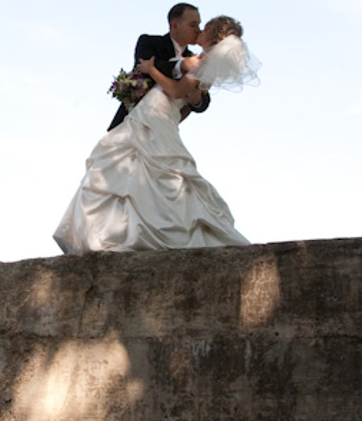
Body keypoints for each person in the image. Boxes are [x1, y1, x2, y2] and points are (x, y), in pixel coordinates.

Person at [54, 16, 258, 254]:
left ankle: (119, 233)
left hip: (156, 111)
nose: (199, 30)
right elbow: (187, 102)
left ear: (212, 35)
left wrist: (151, 70)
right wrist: (172, 118)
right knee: (140, 165)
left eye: (204, 27)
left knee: (142, 165)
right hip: (159, 115)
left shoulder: (203, 61)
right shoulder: (198, 60)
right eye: (195, 24)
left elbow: (177, 90)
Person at [108, 3, 211, 131]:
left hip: (163, 126)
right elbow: (147, 65)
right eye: (192, 25)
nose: (198, 30)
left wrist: (197, 100)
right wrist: (182, 65)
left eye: (199, 25)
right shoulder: (149, 42)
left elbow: (204, 100)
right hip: (131, 121)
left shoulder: (194, 59)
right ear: (175, 25)